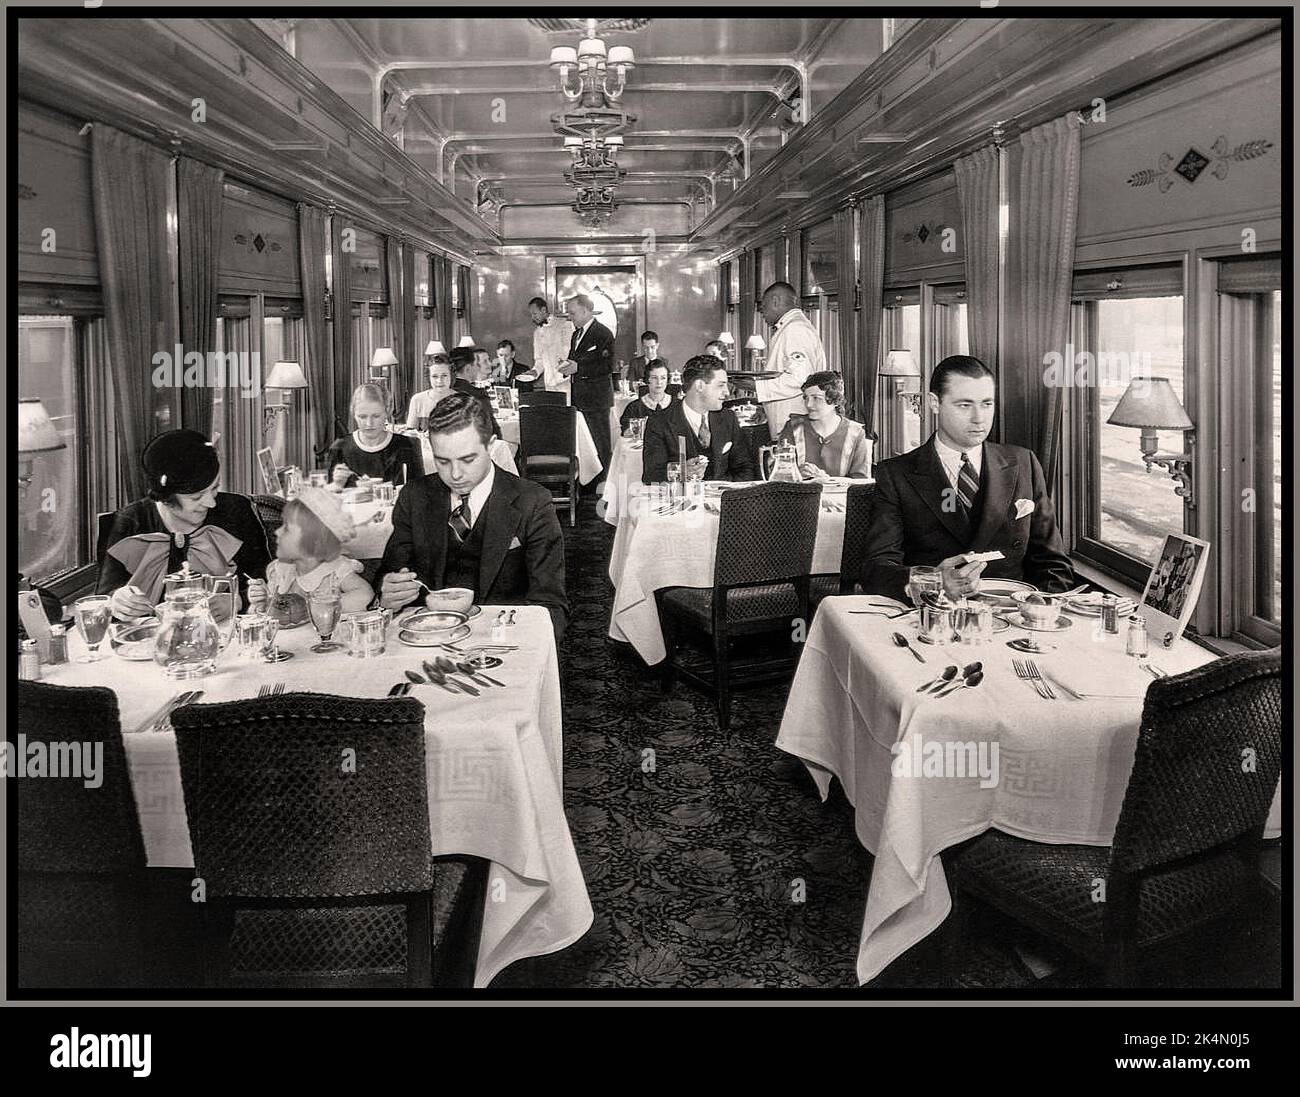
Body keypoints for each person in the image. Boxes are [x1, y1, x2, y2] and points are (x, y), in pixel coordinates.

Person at [858, 355, 1075, 604]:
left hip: (1012, 619)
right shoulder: (896, 474)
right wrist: (929, 582)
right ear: (934, 403)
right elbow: (875, 568)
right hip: (930, 618)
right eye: (964, 405)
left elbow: (1053, 564)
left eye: (987, 404)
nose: (979, 418)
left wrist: (1040, 612)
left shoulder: (1024, 463)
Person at [375, 392, 568, 641]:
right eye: (442, 461)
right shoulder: (414, 497)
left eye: (467, 459)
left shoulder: (533, 501)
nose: (455, 474)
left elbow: (551, 606)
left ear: (491, 446)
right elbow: (388, 574)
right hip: (430, 639)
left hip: (504, 642)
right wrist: (388, 593)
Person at [97, 428, 271, 616]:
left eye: (214, 488)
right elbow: (106, 596)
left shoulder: (237, 510)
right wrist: (118, 601)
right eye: (196, 497)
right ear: (164, 499)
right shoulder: (128, 522)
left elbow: (263, 581)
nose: (211, 503)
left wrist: (237, 601)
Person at [247, 485, 373, 618]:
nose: (277, 532)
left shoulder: (334, 569)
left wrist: (313, 607)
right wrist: (261, 603)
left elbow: (365, 595)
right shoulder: (280, 571)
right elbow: (267, 615)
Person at [642, 355, 756, 483]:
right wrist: (680, 471)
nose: (727, 392)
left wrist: (727, 495)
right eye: (721, 385)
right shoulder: (659, 422)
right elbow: (650, 475)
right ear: (700, 386)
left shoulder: (728, 418)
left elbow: (745, 468)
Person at [755, 281, 827, 438]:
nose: (763, 315)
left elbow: (799, 378)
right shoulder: (791, 327)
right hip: (788, 419)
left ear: (775, 301)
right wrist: (765, 408)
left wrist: (757, 386)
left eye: (763, 309)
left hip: (793, 420)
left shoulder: (795, 329)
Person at [558, 293, 616, 475]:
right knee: (584, 447)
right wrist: (566, 365)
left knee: (600, 445)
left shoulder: (603, 333)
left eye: (572, 313)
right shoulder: (576, 334)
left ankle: (604, 486)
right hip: (579, 399)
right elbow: (576, 360)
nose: (570, 317)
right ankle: (588, 486)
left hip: (597, 400)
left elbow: (607, 366)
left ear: (585, 311)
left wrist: (578, 367)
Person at [777, 371, 873, 480]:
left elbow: (860, 482)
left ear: (835, 400)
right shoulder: (793, 428)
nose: (809, 404)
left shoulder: (855, 432)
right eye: (806, 398)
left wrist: (826, 480)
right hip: (798, 496)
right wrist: (796, 474)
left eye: (816, 398)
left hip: (841, 496)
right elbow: (779, 473)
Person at [326, 383, 424, 488]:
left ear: (387, 412)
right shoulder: (340, 447)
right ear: (354, 414)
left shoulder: (408, 445)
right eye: (362, 417)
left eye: (376, 416)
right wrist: (337, 485)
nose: (369, 424)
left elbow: (421, 495)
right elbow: (329, 499)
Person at [450, 346, 502, 438]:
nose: (477, 369)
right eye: (475, 365)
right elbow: (492, 429)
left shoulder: (447, 392)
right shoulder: (478, 395)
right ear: (468, 368)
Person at [529, 296, 575, 399]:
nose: (533, 318)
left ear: (544, 310)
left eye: (535, 313)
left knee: (568, 413)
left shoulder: (564, 324)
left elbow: (571, 353)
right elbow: (539, 361)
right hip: (549, 384)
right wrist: (534, 372)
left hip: (566, 383)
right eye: (531, 315)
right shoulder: (537, 333)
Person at [620, 361, 673, 434]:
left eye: (663, 378)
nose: (659, 382)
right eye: (654, 378)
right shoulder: (634, 408)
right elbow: (626, 431)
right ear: (647, 379)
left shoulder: (678, 406)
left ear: (668, 380)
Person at [405, 354, 454, 429]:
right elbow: (410, 433)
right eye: (435, 376)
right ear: (428, 377)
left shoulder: (462, 400)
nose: (439, 381)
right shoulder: (417, 400)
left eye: (444, 375)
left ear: (451, 376)